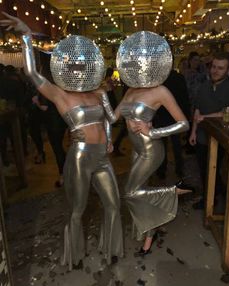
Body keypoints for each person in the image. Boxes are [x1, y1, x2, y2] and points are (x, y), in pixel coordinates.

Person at [0, 12, 123, 270]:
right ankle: (75, 256)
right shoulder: (60, 95)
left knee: (113, 204)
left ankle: (111, 248)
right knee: (77, 210)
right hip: (80, 156)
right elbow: (32, 73)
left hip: (102, 156)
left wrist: (110, 140)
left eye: (82, 63)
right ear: (66, 68)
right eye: (73, 64)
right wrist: (25, 35)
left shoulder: (98, 92)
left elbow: (106, 121)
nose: (78, 67)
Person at [113, 31, 191, 255]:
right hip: (136, 149)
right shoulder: (129, 90)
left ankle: (173, 191)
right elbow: (112, 118)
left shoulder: (160, 90)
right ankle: (150, 234)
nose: (139, 65)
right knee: (140, 191)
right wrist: (102, 95)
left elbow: (183, 124)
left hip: (151, 149)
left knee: (129, 192)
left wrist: (153, 130)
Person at [189, 52, 229, 210]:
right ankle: (213, 195)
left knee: (214, 168)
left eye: (220, 68)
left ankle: (213, 198)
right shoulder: (204, 86)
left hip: (222, 136)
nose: (215, 71)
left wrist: (204, 117)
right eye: (214, 67)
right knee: (203, 168)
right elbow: (197, 111)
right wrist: (193, 132)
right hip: (202, 135)